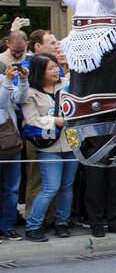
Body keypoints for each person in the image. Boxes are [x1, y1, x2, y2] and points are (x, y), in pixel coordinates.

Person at [20, 53, 78, 241]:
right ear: (40, 71)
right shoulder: (30, 92)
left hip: (71, 143)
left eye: (55, 66)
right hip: (48, 147)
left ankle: (62, 223)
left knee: (67, 187)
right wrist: (55, 120)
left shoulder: (67, 84)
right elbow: (31, 119)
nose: (56, 70)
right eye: (50, 67)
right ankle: (33, 225)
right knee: (51, 187)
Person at [1, 60, 28, 240]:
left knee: (11, 187)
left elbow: (20, 100)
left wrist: (24, 81)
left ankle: (7, 226)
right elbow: (0, 104)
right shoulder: (6, 81)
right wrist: (8, 83)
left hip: (10, 141)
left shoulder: (4, 78)